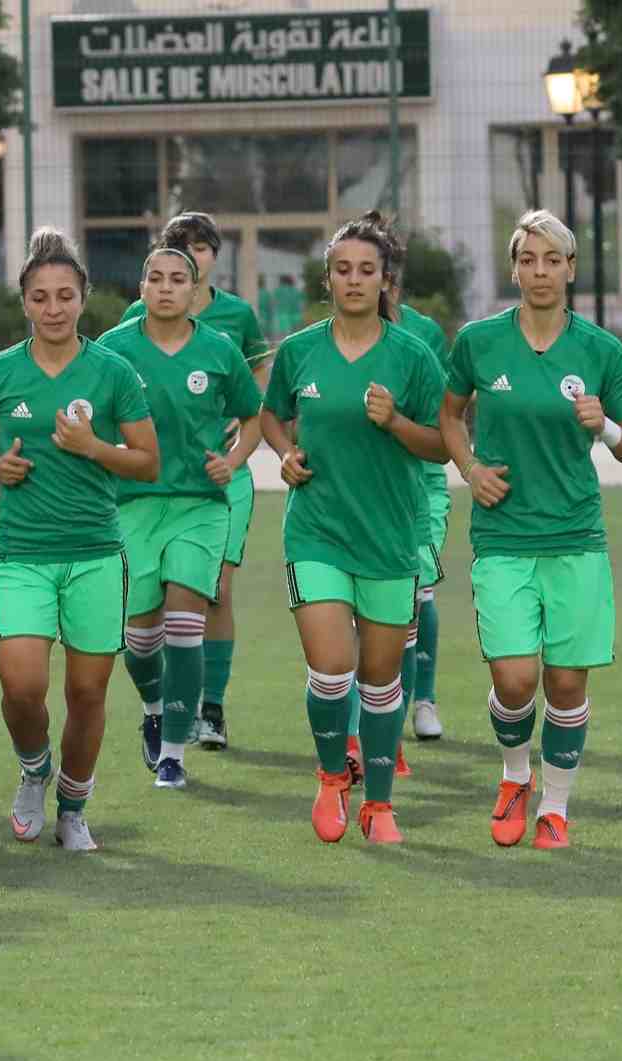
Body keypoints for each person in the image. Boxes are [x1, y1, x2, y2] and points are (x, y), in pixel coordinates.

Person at [442, 209, 622, 851]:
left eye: (552, 260)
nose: (540, 271)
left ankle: (554, 809)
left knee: (565, 683)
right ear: (514, 269)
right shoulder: (478, 342)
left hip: (575, 540)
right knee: (513, 682)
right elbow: (449, 416)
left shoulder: (601, 350)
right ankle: (514, 776)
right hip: (502, 540)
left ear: (570, 269)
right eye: (528, 260)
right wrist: (470, 469)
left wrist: (604, 427)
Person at [0, 229, 158, 850]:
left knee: (86, 692)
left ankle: (73, 808)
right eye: (40, 297)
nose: (53, 309)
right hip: (20, 556)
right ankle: (33, 769)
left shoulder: (112, 372)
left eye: (65, 296)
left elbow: (147, 461)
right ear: (24, 301)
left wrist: (94, 447)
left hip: (95, 556)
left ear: (83, 299)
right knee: (22, 690)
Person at [257, 212, 447, 846]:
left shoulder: (413, 356)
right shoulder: (300, 351)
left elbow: (442, 446)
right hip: (316, 533)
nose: (355, 279)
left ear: (385, 280)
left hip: (389, 538)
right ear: (328, 280)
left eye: (367, 270)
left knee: (381, 682)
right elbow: (271, 416)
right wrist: (285, 452)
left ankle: (381, 804)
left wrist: (396, 422)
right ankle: (333, 777)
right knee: (332, 669)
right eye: (343, 269)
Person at [100, 245, 260, 788]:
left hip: (200, 506)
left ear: (195, 292)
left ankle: (172, 755)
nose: (165, 287)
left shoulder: (218, 350)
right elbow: (91, 418)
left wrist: (232, 461)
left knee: (186, 622)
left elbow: (254, 416)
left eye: (176, 279)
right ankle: (153, 709)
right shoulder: (113, 350)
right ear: (141, 288)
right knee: (140, 640)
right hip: (133, 506)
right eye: (155, 278)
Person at [383, 254, 453, 743]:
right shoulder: (331, 337)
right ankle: (378, 706)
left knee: (419, 590)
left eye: (384, 272)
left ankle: (422, 700)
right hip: (365, 484)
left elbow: (447, 409)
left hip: (421, 480)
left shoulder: (423, 333)